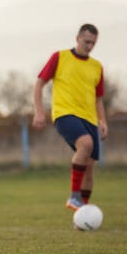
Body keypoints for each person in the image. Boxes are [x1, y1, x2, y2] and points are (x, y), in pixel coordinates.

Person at [32, 24, 109, 211]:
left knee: (89, 166)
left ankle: (84, 212)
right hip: (64, 113)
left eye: (93, 43)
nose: (89, 46)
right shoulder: (59, 57)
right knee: (86, 143)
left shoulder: (97, 66)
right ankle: (74, 196)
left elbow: (98, 99)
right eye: (86, 41)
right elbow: (39, 84)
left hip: (90, 118)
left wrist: (103, 121)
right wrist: (39, 111)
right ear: (77, 38)